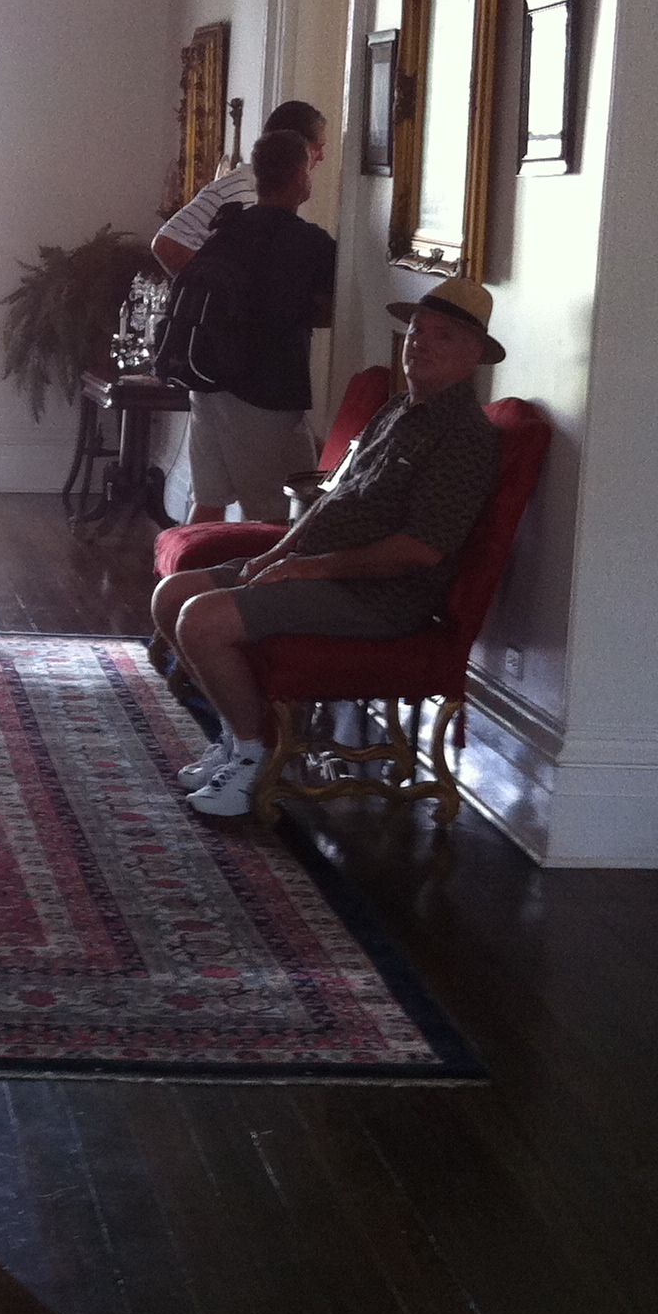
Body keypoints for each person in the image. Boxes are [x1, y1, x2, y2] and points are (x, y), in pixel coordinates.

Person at [153, 276, 507, 818]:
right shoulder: (395, 410)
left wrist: (309, 569)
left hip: (378, 597)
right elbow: (331, 499)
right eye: (417, 330)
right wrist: (278, 555)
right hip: (316, 569)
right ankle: (238, 736)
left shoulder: (464, 437)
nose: (421, 343)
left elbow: (420, 549)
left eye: (444, 336)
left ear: (474, 354)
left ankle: (254, 761)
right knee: (172, 595)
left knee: (202, 619)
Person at [168, 128, 338, 524]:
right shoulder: (309, 242)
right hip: (266, 392)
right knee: (279, 515)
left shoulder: (226, 230)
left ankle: (186, 565)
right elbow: (331, 311)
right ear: (299, 174)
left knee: (208, 501)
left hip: (208, 382)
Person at [148, 99, 330, 280]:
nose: (321, 157)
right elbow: (165, 244)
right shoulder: (239, 188)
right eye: (318, 147)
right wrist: (213, 285)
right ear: (294, 145)